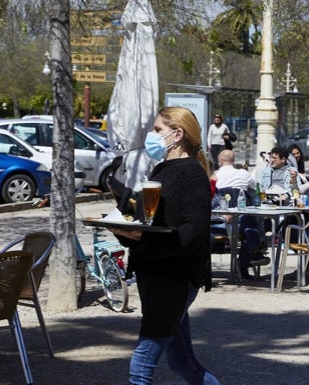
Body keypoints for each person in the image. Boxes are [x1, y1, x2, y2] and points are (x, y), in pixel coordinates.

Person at [109, 107, 220, 385]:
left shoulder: (192, 175)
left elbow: (191, 234)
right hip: (154, 275)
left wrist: (140, 237)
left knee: (141, 365)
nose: (151, 135)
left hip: (175, 279)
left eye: (158, 130)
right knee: (182, 363)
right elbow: (149, 223)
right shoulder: (162, 169)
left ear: (178, 134)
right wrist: (121, 227)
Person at [210, 150, 267, 279]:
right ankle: (252, 256)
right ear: (234, 161)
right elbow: (258, 187)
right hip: (227, 223)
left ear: (220, 160)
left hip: (219, 223)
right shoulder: (243, 174)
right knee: (249, 225)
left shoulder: (215, 177)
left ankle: (251, 256)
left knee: (248, 226)